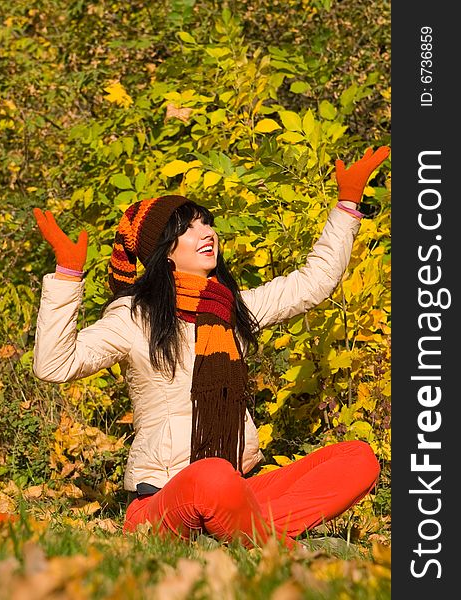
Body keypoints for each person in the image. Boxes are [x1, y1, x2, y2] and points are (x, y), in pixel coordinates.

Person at [32, 145, 390, 550]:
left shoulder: (231, 309)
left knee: (357, 458)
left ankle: (238, 529)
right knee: (211, 476)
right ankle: (277, 548)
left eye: (207, 223)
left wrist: (347, 204)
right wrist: (66, 275)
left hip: (237, 491)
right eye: (189, 228)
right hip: (166, 501)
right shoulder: (133, 317)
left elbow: (313, 284)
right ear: (166, 251)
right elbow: (54, 365)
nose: (207, 233)